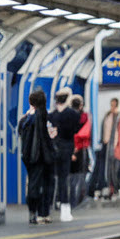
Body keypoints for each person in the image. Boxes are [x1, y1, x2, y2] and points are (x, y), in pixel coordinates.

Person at [18, 89, 56, 224]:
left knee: (34, 185)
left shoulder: (26, 119)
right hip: (44, 157)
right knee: (46, 185)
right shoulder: (45, 116)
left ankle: (33, 213)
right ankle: (43, 213)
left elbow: (20, 133)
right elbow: (49, 136)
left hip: (30, 157)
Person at [48, 90, 81, 220]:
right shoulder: (73, 114)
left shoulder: (52, 115)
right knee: (63, 179)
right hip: (67, 149)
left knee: (52, 178)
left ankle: (49, 207)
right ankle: (65, 209)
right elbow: (76, 129)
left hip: (54, 148)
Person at [93, 97, 120, 197]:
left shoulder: (118, 116)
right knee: (107, 167)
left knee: (115, 167)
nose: (112, 106)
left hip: (115, 146)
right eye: (111, 104)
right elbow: (104, 128)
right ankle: (109, 187)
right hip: (107, 145)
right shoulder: (108, 115)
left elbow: (118, 132)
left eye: (114, 104)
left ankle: (116, 187)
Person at [70, 94, 91, 209]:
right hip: (80, 149)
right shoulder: (84, 117)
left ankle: (69, 201)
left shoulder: (67, 116)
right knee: (80, 175)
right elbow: (85, 134)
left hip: (69, 149)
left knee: (69, 177)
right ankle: (78, 200)